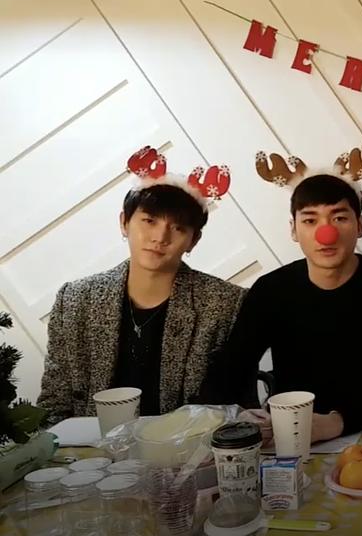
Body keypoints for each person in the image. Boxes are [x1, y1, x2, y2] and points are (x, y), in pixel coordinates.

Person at [199, 148, 362, 444]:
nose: (325, 233)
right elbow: (230, 371)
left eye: (339, 218)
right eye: (310, 220)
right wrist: (239, 415)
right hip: (292, 437)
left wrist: (336, 422)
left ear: (360, 225)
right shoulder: (271, 290)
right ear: (293, 229)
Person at [38, 146, 244, 423]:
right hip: (93, 445)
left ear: (193, 240)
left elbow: (230, 405)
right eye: (149, 221)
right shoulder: (76, 299)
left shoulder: (225, 304)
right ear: (124, 222)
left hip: (185, 444)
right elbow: (54, 403)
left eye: (178, 228)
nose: (160, 237)